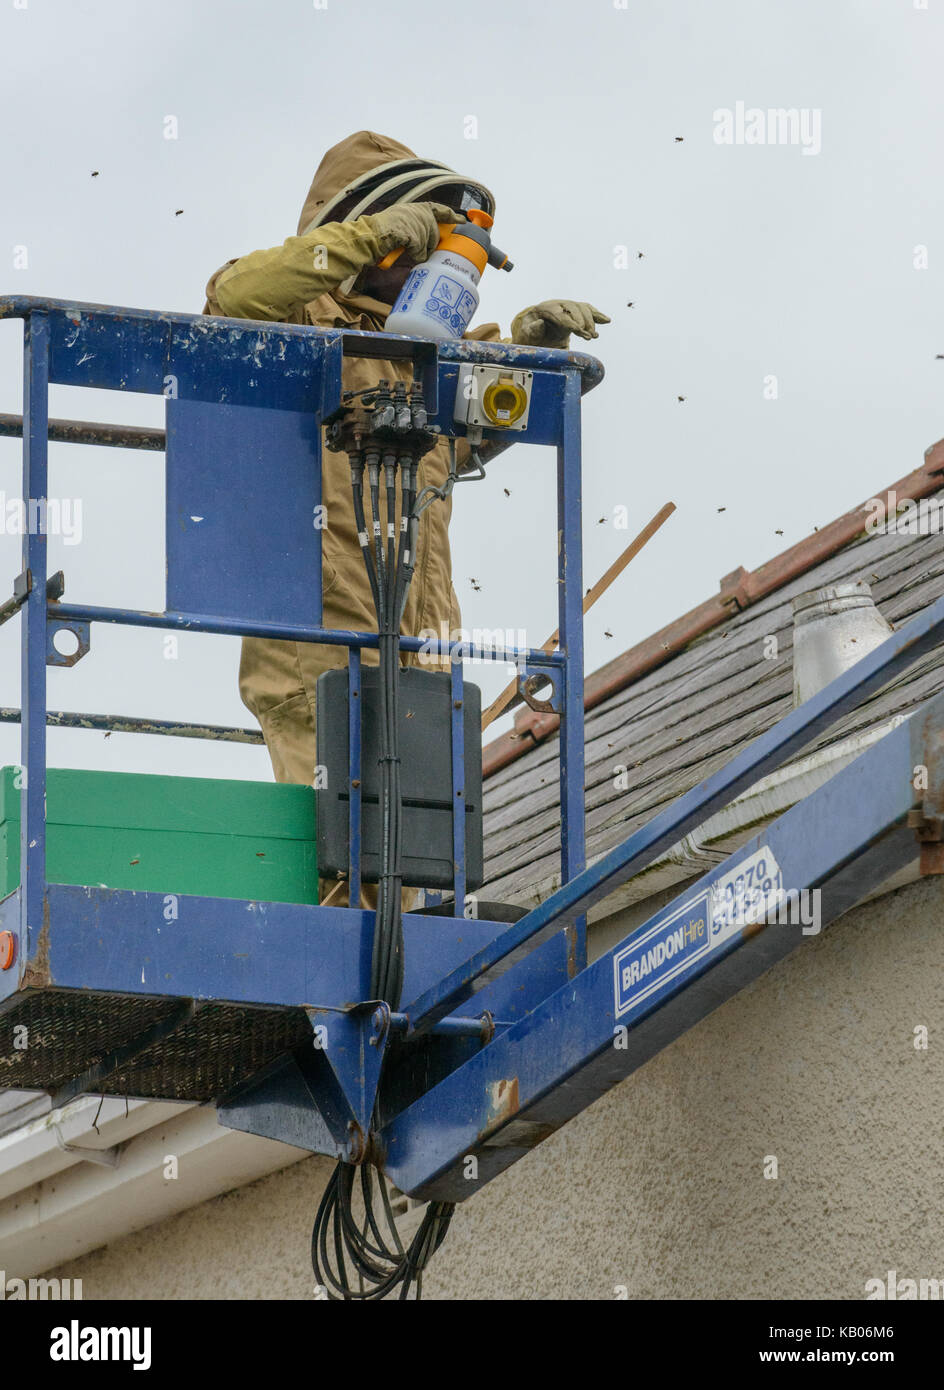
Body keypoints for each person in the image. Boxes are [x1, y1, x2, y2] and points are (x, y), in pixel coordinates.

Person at [203, 132, 608, 897]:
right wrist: (367, 237)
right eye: (413, 239)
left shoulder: (423, 357)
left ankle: (379, 1005)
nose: (425, 266)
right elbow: (233, 297)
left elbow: (475, 432)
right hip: (313, 645)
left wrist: (529, 350)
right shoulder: (291, 320)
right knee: (333, 873)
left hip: (419, 651)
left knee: (408, 883)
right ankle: (327, 1007)